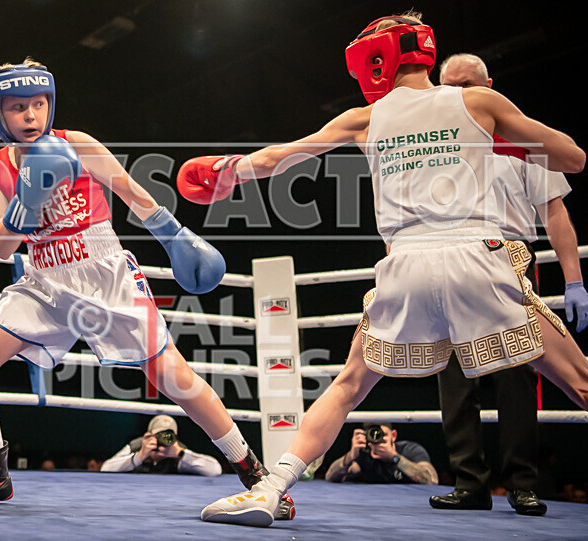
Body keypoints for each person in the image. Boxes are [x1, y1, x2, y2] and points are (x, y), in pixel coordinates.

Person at [177, 11, 588, 527]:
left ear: (378, 58)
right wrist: (502, 139)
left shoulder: (363, 119)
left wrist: (225, 174)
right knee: (579, 382)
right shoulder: (478, 101)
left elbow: (277, 158)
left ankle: (270, 488)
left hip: (404, 265)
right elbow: (572, 158)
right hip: (479, 259)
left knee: (349, 384)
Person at [0, 57, 294, 520]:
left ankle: (257, 477)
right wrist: (27, 200)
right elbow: (1, 247)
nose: (30, 116)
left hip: (104, 273)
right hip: (44, 280)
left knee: (174, 378)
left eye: (39, 104)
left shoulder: (77, 143)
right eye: (18, 107)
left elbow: (129, 191)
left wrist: (175, 237)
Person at [429, 53, 587, 516]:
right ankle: (470, 483)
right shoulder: (435, 142)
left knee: (518, 374)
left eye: (469, 85)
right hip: (452, 259)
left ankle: (521, 483)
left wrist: (573, 280)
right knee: (454, 374)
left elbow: (554, 210)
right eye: (451, 87)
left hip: (512, 258)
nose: (460, 94)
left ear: (490, 85)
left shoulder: (519, 134)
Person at [100, 414, 222, 476]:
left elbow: (215, 470)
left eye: (168, 436)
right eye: (159, 435)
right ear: (148, 436)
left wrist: (181, 454)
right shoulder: (137, 446)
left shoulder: (177, 450)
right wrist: (140, 456)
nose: (163, 440)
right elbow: (105, 469)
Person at [324, 423, 437, 484]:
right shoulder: (364, 454)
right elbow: (330, 477)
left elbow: (432, 480)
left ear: (393, 436)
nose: (377, 440)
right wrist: (350, 456)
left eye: (382, 435)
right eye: (372, 436)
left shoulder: (410, 450)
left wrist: (394, 457)